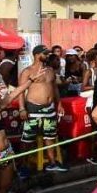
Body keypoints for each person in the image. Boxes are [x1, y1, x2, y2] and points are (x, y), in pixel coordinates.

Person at [18, 45, 66, 173]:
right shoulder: (27, 71)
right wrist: (22, 109)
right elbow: (21, 92)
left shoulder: (50, 70)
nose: (48, 56)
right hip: (33, 109)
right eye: (45, 53)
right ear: (37, 55)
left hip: (50, 108)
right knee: (28, 139)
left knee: (50, 136)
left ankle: (52, 162)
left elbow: (55, 88)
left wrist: (59, 104)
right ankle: (22, 165)